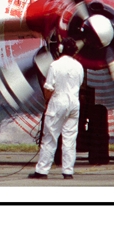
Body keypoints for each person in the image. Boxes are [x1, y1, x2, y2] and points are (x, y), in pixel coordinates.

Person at [28, 39, 85, 180]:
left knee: (50, 137)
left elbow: (48, 88)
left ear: (60, 49)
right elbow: (80, 84)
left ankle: (42, 170)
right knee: (70, 139)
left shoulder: (55, 65)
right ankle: (68, 171)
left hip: (58, 101)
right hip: (74, 103)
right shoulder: (79, 66)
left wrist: (48, 102)